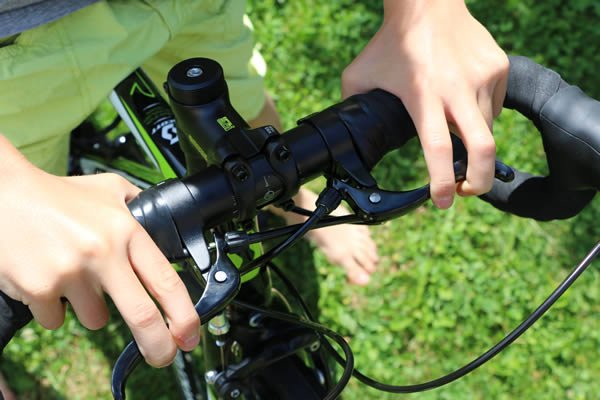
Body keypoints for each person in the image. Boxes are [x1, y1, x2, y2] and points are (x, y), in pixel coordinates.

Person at [0, 0, 508, 395]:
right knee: (24, 240)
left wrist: (423, 12)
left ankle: (291, 198)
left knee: (255, 128)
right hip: (16, 49)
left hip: (189, 7)